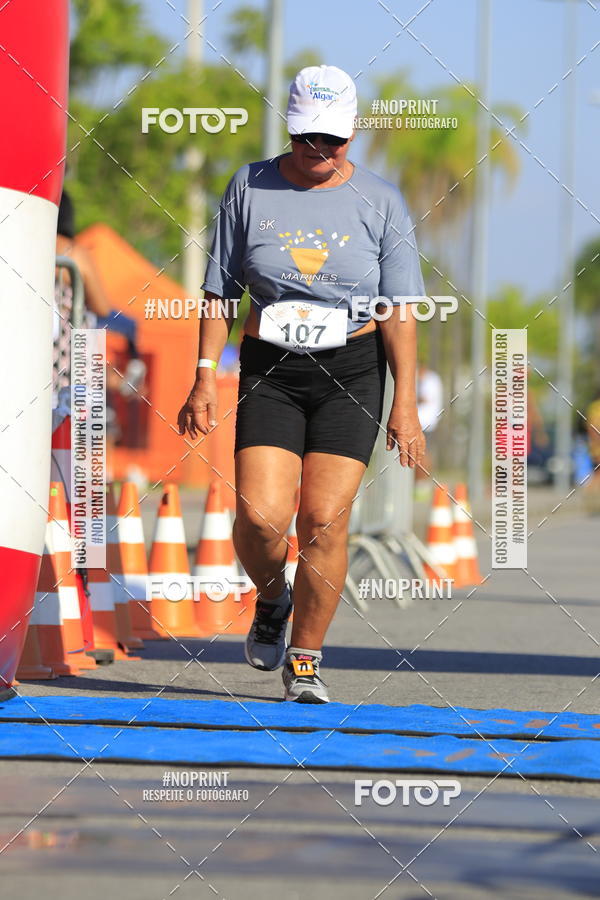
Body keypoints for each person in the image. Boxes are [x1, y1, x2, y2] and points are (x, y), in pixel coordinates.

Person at [178, 65, 426, 703]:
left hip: (352, 370)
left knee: (323, 520)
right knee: (261, 519)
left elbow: (399, 309)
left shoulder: (382, 201)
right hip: (271, 365)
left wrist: (406, 405)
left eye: (333, 140)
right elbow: (218, 292)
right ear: (289, 130)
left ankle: (307, 659)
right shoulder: (250, 186)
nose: (319, 151)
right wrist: (205, 378)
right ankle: (271, 597)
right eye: (306, 137)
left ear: (352, 136)